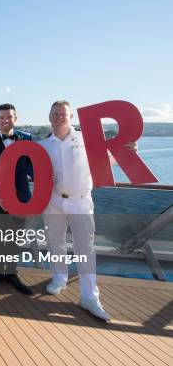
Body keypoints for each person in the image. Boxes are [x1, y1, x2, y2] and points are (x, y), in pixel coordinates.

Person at [39, 100, 137, 322]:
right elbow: (38, 171)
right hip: (54, 201)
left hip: (80, 201)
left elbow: (106, 161)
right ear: (49, 117)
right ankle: (59, 278)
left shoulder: (87, 140)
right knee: (56, 242)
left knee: (85, 249)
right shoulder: (44, 145)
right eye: (55, 113)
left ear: (71, 117)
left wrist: (125, 152)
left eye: (63, 113)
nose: (59, 117)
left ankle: (90, 297)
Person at [0, 103, 33, 295]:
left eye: (9, 117)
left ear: (15, 119)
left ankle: (11, 273)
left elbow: (31, 167)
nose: (5, 120)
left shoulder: (27, 139)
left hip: (20, 197)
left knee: (14, 237)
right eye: (2, 117)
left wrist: (43, 177)